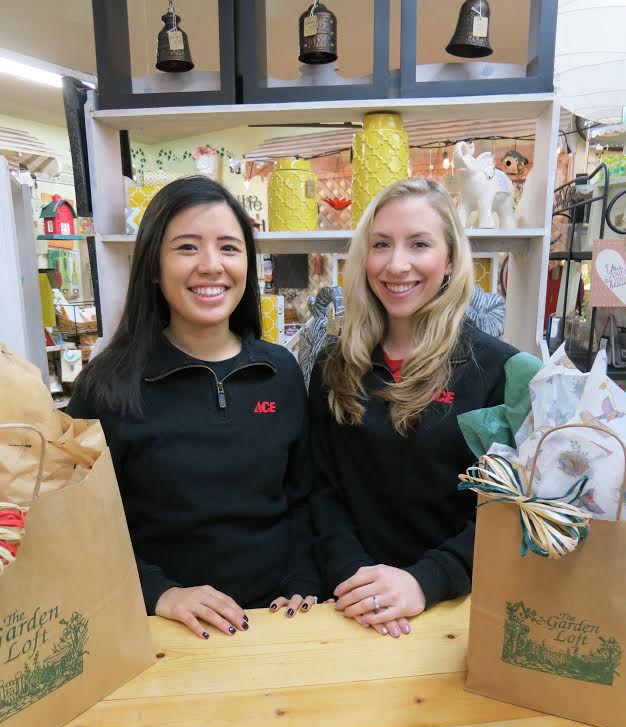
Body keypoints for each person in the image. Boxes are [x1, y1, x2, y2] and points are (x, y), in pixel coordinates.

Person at [67, 176, 324, 638]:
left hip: (278, 620)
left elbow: (304, 496)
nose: (211, 265)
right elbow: (76, 522)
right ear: (153, 266)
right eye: (187, 247)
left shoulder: (281, 372)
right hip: (160, 628)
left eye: (229, 248)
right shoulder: (107, 385)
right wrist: (159, 593)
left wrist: (303, 580)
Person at [309, 177, 540, 638]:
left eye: (419, 244)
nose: (397, 265)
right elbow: (320, 489)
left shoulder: (503, 371)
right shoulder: (334, 366)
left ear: (451, 259)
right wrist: (356, 580)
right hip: (349, 605)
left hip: (460, 611)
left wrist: (424, 581)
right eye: (381, 245)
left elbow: (516, 511)